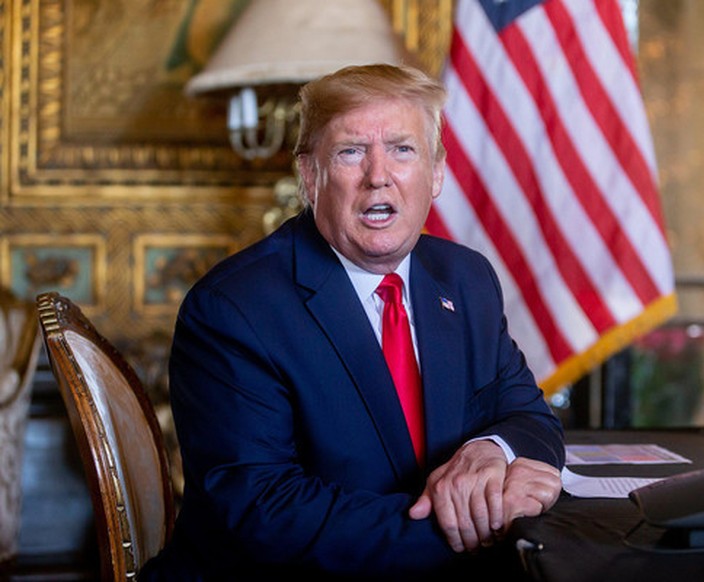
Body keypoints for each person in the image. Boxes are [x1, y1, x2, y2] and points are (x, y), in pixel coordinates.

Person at [142, 63, 565, 581]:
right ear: (309, 176)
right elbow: (263, 513)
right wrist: (476, 522)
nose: (379, 174)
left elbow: (530, 417)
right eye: (351, 151)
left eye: (402, 149)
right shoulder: (233, 309)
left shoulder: (466, 279)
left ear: (436, 173)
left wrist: (487, 450)